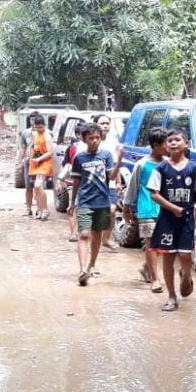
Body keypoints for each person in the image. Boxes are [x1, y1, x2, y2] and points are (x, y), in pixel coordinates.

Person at [147, 128, 196, 311]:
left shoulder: (194, 168)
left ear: (186, 143)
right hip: (167, 218)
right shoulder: (161, 169)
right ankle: (172, 297)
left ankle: (187, 276)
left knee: (184, 254)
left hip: (187, 218)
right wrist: (173, 208)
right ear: (166, 145)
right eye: (170, 141)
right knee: (167, 256)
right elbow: (154, 195)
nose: (173, 143)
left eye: (177, 140)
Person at [67, 122, 122, 286]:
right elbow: (76, 181)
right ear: (84, 139)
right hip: (85, 201)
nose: (95, 140)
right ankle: (83, 269)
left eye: (97, 137)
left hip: (102, 202)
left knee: (97, 235)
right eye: (91, 138)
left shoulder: (106, 155)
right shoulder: (79, 158)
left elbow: (111, 178)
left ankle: (91, 264)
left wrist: (119, 161)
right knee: (83, 234)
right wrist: (72, 202)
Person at [123, 127, 167, 294]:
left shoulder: (168, 163)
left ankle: (146, 267)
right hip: (146, 208)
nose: (169, 147)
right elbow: (132, 187)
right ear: (156, 145)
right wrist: (127, 207)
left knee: (162, 245)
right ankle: (155, 279)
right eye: (165, 144)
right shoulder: (142, 164)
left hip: (164, 210)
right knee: (151, 244)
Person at [92, 113, 121, 249]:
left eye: (107, 123)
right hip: (94, 183)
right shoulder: (91, 141)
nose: (105, 126)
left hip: (110, 182)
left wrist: (119, 182)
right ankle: (94, 238)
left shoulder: (113, 141)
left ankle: (107, 238)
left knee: (112, 210)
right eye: (102, 123)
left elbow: (116, 164)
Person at [27, 114, 54, 220]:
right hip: (35, 162)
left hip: (44, 162)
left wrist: (39, 159)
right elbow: (33, 147)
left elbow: (51, 152)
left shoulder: (47, 136)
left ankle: (46, 209)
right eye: (36, 127)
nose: (38, 129)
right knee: (36, 188)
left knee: (38, 185)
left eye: (40, 127)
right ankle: (40, 209)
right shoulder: (35, 134)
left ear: (44, 126)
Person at [17, 111, 41, 217]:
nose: (33, 121)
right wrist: (19, 163)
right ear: (30, 121)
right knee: (28, 187)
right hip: (28, 162)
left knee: (39, 187)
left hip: (41, 163)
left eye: (35, 118)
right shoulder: (25, 133)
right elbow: (22, 148)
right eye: (31, 119)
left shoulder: (45, 132)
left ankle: (40, 208)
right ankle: (28, 209)